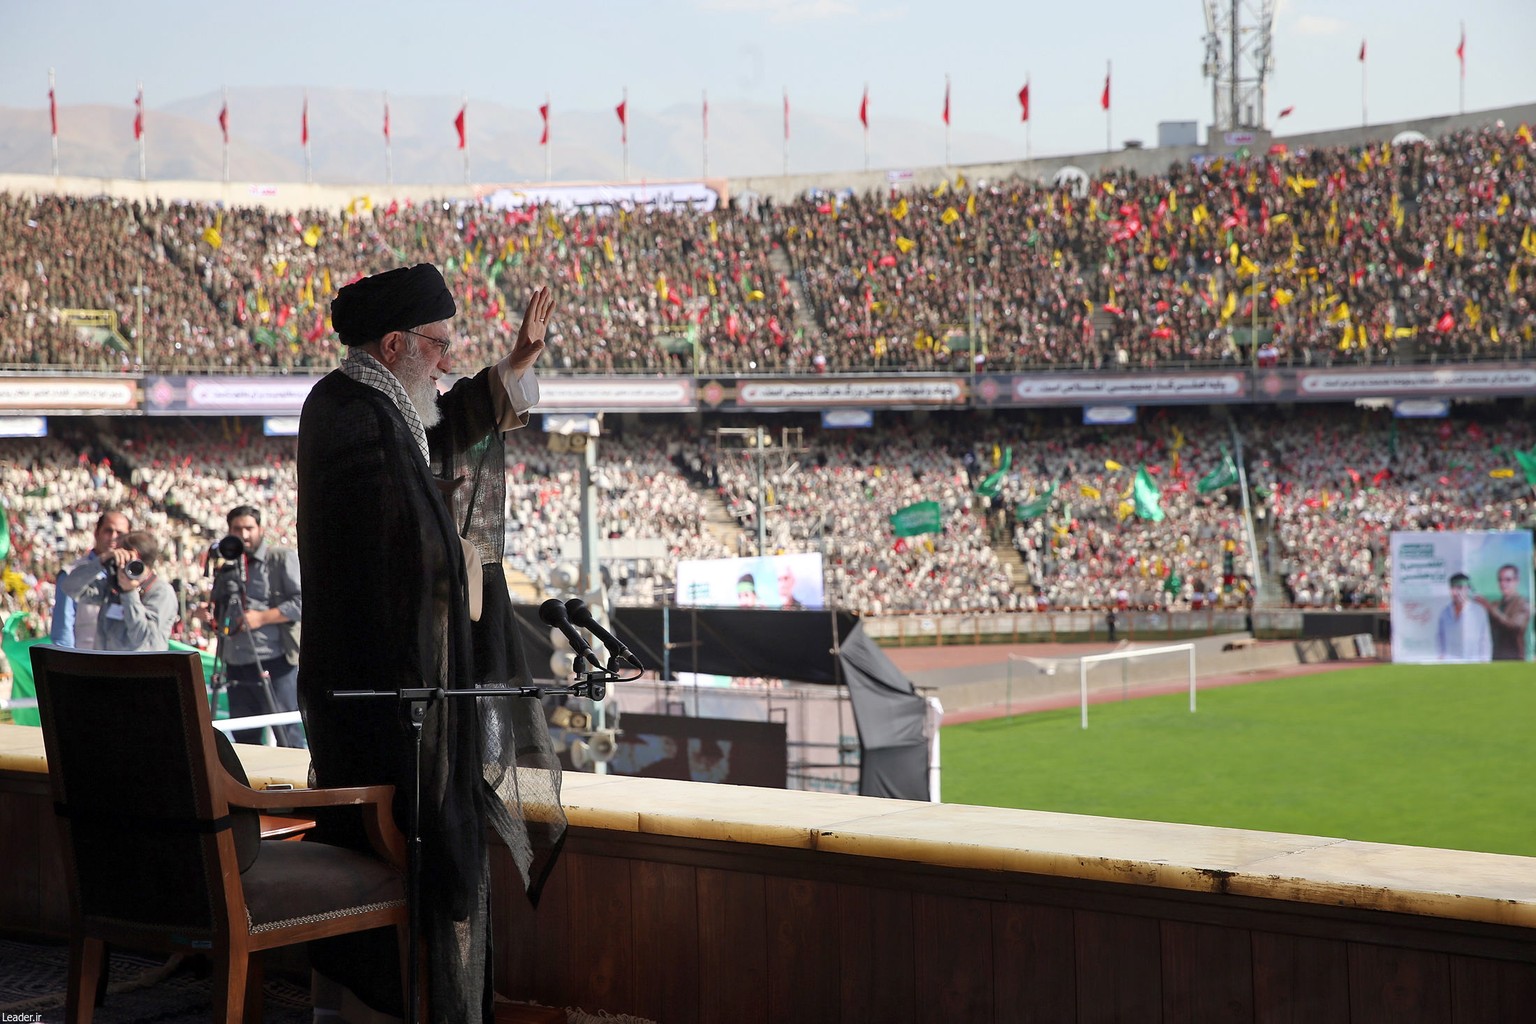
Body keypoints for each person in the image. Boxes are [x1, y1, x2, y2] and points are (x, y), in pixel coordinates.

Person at [297, 265, 564, 1024]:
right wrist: (470, 567)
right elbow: (412, 555)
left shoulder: (369, 402)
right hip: (385, 702)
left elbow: (437, 439)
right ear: (394, 343)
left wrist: (512, 371)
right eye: (441, 344)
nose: (449, 359)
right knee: (420, 859)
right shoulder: (354, 418)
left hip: (385, 689)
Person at [208, 505, 304, 747]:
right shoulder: (226, 564)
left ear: (260, 529)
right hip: (236, 662)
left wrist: (263, 617)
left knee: (286, 736)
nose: (244, 534)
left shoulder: (280, 558)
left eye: (249, 528)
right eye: (237, 529)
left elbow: (303, 602)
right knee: (244, 739)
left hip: (276, 661)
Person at [56, 529, 176, 651]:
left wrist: (129, 593)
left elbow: (141, 638)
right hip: (105, 667)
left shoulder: (161, 592)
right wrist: (101, 561)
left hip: (139, 668)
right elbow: (69, 587)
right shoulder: (113, 585)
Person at [49, 510, 130, 649]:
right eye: (108, 531)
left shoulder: (132, 576)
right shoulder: (71, 573)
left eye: (120, 534)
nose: (113, 538)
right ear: (96, 533)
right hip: (83, 662)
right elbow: (63, 629)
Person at [1475, 563, 1531, 662]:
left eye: (1508, 580)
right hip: (1495, 658)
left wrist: (1489, 608)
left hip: (1515, 659)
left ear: (1516, 581)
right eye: (1500, 580)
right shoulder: (1496, 605)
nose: (1503, 584)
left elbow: (1515, 627)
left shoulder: (1523, 604)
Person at [1436, 572, 1492, 662]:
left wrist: (1485, 661)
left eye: (1459, 588)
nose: (1456, 592)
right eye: (1453, 588)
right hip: (1449, 664)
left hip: (1473, 663)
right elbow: (1440, 639)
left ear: (1467, 589)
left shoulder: (1478, 611)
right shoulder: (1444, 612)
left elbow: (1484, 641)